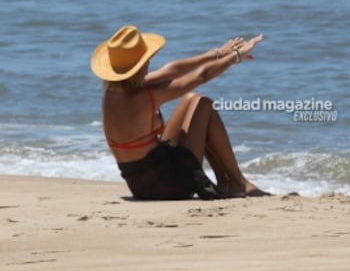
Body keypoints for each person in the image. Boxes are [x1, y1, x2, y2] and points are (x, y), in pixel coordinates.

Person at [91, 25, 270, 200]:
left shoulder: (113, 90)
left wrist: (216, 54)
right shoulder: (145, 96)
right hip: (168, 186)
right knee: (203, 104)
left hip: (139, 184)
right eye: (146, 59)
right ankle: (237, 182)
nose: (149, 62)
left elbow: (170, 71)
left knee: (190, 99)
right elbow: (202, 76)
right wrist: (236, 56)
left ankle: (228, 182)